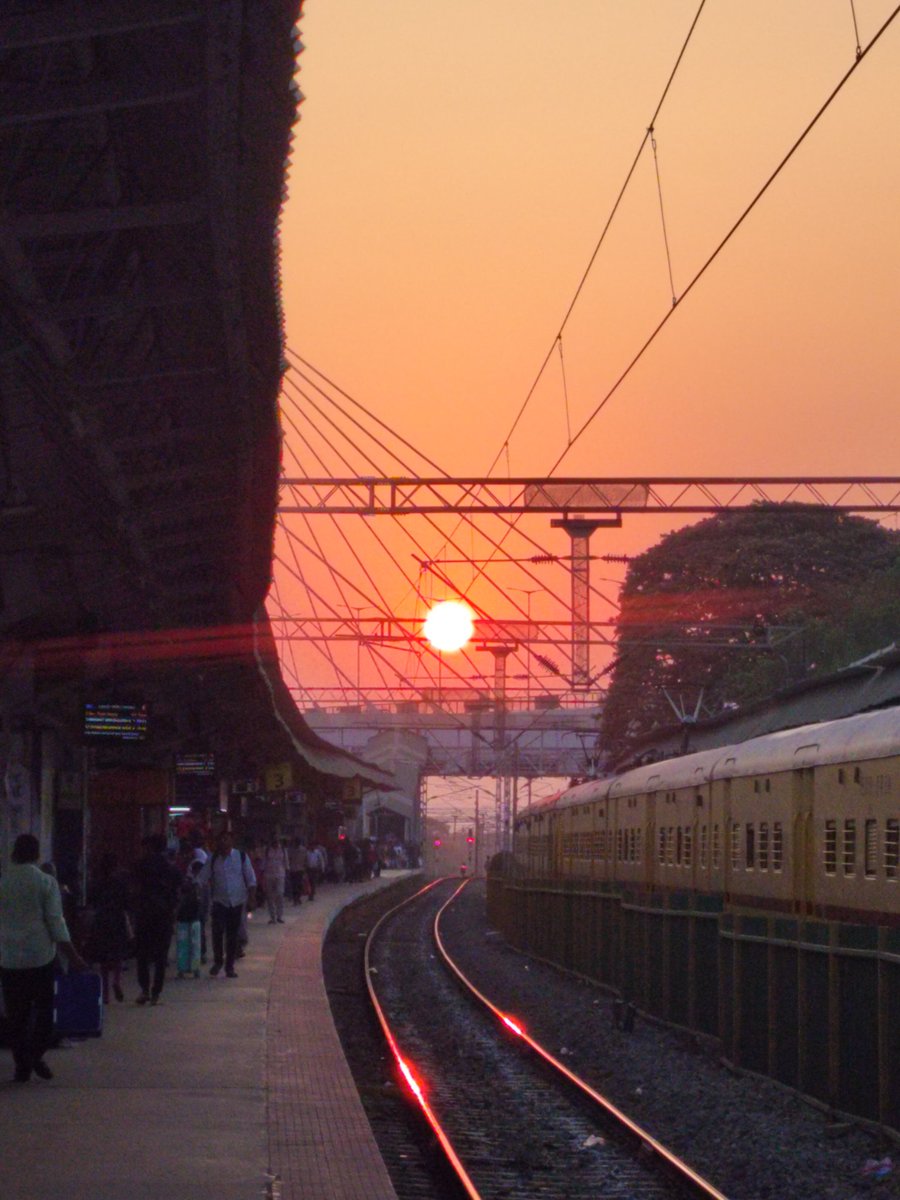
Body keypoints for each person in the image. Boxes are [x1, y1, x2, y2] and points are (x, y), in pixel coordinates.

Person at [0, 833, 88, 1082]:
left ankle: (22, 1066)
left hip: (9, 960)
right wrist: (73, 956)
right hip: (40, 958)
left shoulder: (3, 882)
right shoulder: (46, 883)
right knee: (45, 1013)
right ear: (37, 855)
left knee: (16, 1016)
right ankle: (35, 1055)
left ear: (14, 853)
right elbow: (56, 923)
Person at [131, 833, 182, 1006]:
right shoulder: (171, 868)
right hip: (164, 916)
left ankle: (144, 989)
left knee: (142, 954)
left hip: (144, 914)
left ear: (150, 847)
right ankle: (156, 993)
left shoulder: (140, 866)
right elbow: (179, 890)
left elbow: (133, 889)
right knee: (161, 956)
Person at [199, 830, 256, 979]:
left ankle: (229, 966)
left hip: (236, 902)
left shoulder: (241, 857)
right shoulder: (213, 859)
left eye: (227, 839)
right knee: (217, 933)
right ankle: (218, 961)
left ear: (231, 841)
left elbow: (251, 879)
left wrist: (251, 899)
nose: (224, 842)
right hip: (219, 902)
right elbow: (202, 878)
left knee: (232, 936)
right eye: (221, 839)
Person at [85, 853, 131, 1004]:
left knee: (104, 958)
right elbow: (127, 901)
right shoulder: (120, 882)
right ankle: (116, 980)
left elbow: (90, 900)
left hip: (101, 920)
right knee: (118, 954)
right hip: (117, 919)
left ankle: (105, 994)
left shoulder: (96, 882)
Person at [175, 861, 203, 979]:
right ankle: (195, 968)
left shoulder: (186, 882)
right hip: (194, 917)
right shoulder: (199, 883)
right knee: (195, 944)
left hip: (183, 918)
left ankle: (182, 969)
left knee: (182, 944)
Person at [262, 836, 289, 924]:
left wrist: (287, 871)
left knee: (280, 895)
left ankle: (279, 916)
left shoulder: (283, 850)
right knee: (270, 896)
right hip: (269, 875)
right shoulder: (267, 850)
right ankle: (272, 917)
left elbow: (286, 862)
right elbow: (264, 862)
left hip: (280, 875)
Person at [287, 836, 307, 904]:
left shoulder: (303, 850)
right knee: (294, 885)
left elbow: (305, 859)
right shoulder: (291, 850)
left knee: (299, 884)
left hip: (300, 869)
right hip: (293, 869)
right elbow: (288, 859)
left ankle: (298, 897)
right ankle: (295, 898)